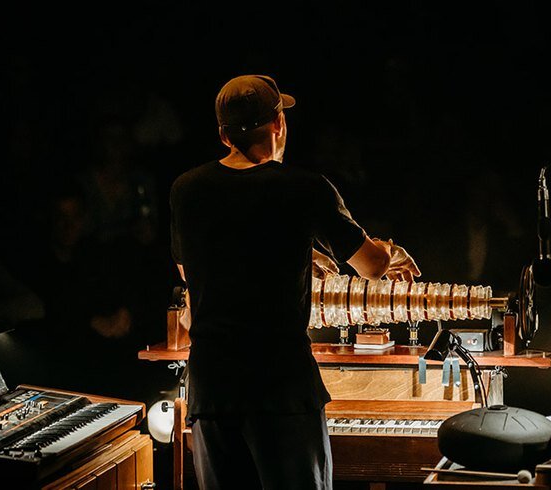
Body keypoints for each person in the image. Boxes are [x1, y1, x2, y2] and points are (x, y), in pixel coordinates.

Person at [169, 74, 421, 489]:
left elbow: (194, 271)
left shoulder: (186, 190)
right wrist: (392, 250)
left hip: (212, 391)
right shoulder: (304, 188)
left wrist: (298, 249)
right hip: (281, 390)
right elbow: (372, 267)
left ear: (223, 135)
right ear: (279, 125)